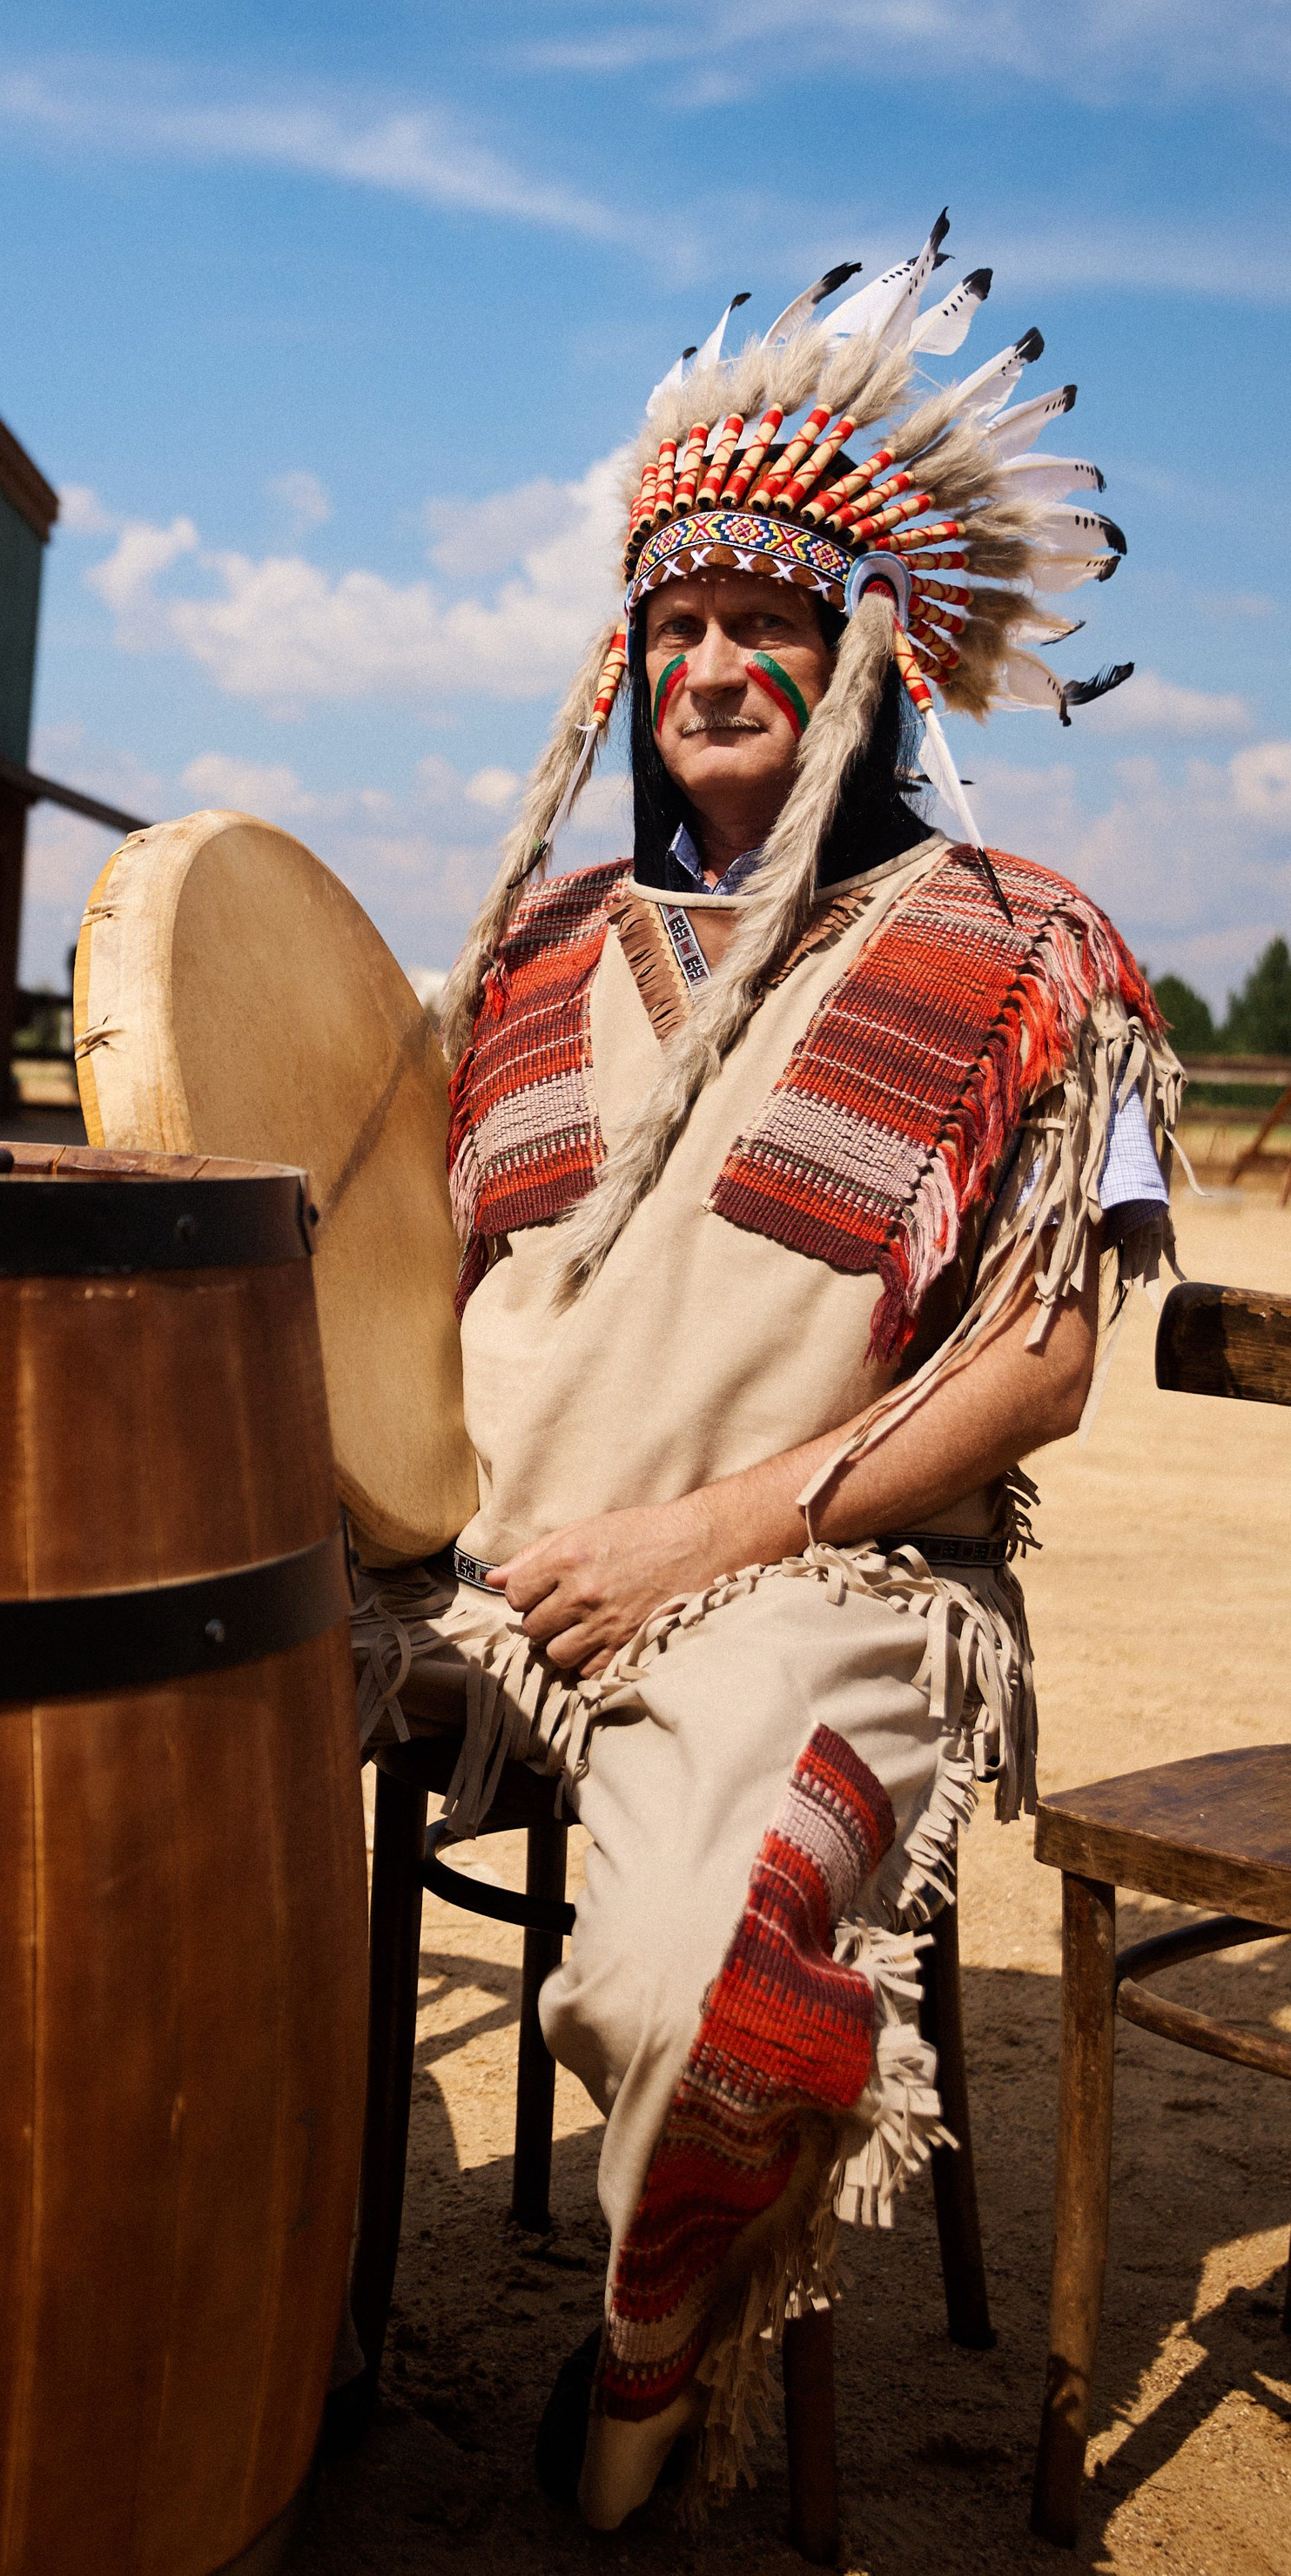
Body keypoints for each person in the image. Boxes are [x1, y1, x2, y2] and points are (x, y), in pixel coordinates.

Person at [348, 229, 1180, 2526]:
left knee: (694, 1986)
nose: (710, 659)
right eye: (676, 623)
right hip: (480, 1591)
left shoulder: (1035, 961)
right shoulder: (520, 966)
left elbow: (1043, 1372)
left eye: (766, 620)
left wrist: (703, 1539)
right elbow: (379, 1304)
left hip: (808, 1583)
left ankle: (629, 2398)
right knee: (132, 1747)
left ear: (866, 663)